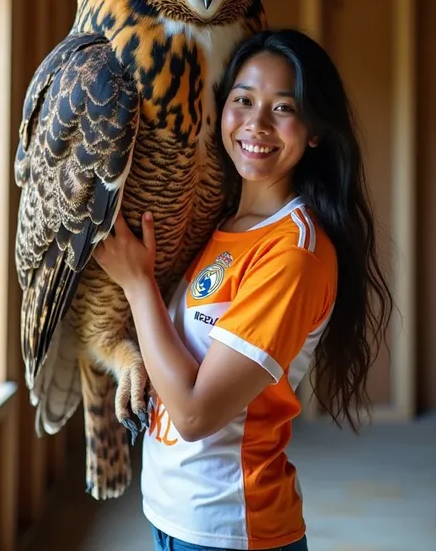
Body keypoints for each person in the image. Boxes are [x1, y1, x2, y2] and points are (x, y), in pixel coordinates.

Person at [94, 29, 393, 551]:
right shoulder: (221, 223)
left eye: (283, 108)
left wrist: (138, 284)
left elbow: (194, 415)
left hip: (232, 527)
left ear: (315, 131)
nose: (256, 124)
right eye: (243, 100)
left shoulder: (293, 253)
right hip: (173, 513)